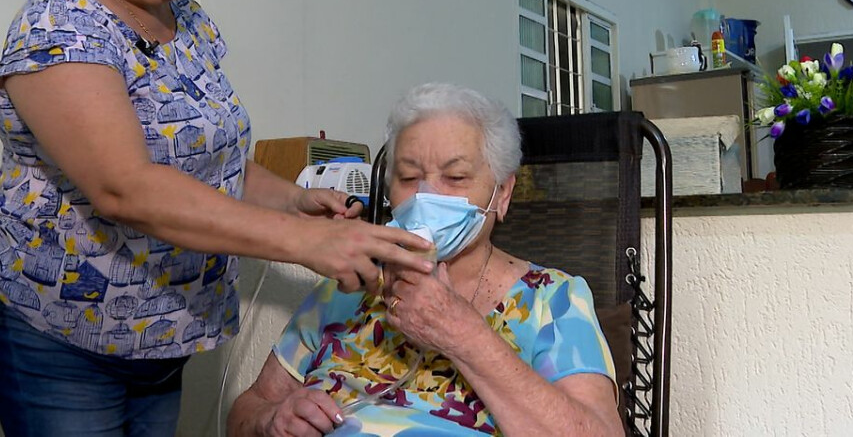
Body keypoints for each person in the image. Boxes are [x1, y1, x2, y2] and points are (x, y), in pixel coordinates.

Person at [0, 0, 432, 437]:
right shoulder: (61, 28)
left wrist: (292, 199)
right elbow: (126, 188)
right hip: (60, 337)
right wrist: (303, 242)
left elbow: (215, 161)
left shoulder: (187, 22)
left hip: (162, 337)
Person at [228, 83, 623, 436]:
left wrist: (464, 336)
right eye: (407, 176)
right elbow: (247, 411)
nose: (425, 195)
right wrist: (271, 419)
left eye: (455, 178)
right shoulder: (348, 284)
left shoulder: (552, 301)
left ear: (502, 194)